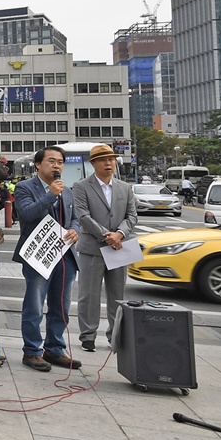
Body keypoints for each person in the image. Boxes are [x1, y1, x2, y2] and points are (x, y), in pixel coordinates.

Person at [13, 147, 81, 373]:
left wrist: (74, 230)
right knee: (34, 304)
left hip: (65, 256)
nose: (57, 166)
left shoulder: (68, 191)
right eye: (51, 161)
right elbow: (26, 214)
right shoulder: (25, 187)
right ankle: (32, 351)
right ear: (38, 165)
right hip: (38, 255)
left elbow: (76, 219)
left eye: (60, 162)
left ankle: (55, 348)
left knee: (61, 305)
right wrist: (50, 194)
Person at [73, 145, 139, 353]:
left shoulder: (124, 187)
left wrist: (119, 234)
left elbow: (132, 216)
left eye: (111, 159)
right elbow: (83, 216)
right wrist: (107, 236)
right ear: (93, 164)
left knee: (118, 295)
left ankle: (116, 335)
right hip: (92, 248)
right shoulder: (81, 186)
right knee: (88, 295)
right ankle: (88, 335)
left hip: (119, 247)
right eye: (102, 160)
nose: (108, 163)